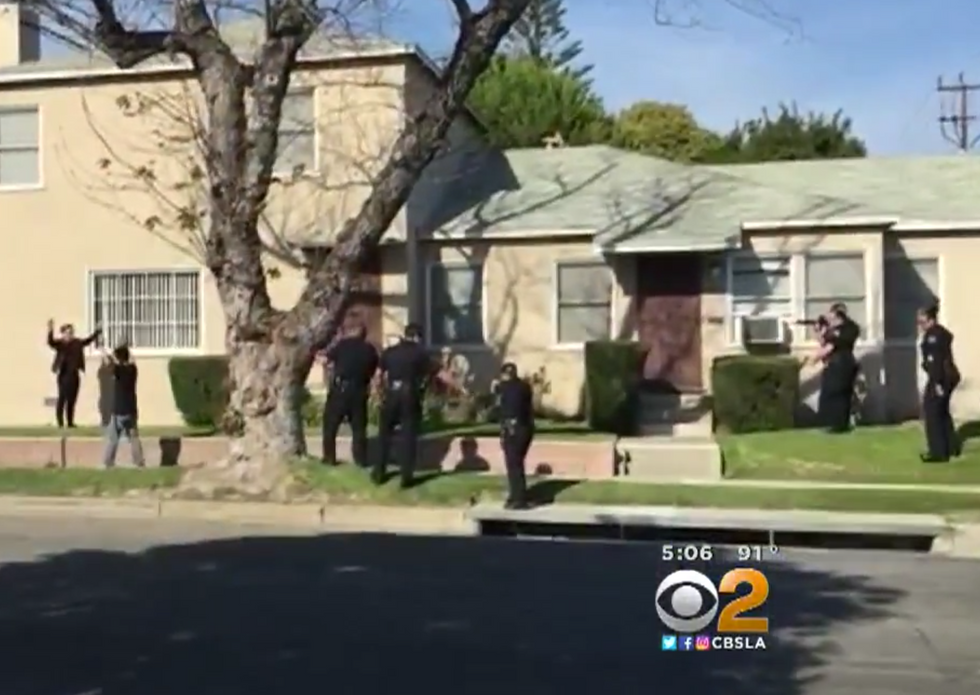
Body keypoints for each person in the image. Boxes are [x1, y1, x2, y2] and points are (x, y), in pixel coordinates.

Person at [372, 323, 431, 488]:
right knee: (408, 435)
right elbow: (435, 372)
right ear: (417, 336)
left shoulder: (390, 352)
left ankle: (379, 471)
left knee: (384, 434)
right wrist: (459, 387)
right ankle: (406, 476)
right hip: (409, 394)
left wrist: (380, 394)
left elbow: (378, 375)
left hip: (392, 393)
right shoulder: (420, 353)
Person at [321, 323, 379, 468]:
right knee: (359, 427)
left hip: (340, 389)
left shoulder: (342, 345)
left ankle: (329, 457)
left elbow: (325, 360)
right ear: (364, 334)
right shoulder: (369, 349)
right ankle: (361, 459)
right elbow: (374, 371)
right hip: (359, 390)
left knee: (330, 425)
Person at [918, 303, 960, 462]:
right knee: (942, 412)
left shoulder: (933, 336)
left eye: (922, 322)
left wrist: (937, 383)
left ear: (930, 320)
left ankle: (938, 452)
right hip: (947, 376)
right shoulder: (941, 333)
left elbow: (935, 362)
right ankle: (951, 446)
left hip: (941, 377)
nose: (920, 326)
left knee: (932, 412)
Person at [47, 319, 102, 429]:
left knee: (72, 399)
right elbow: (51, 342)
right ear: (63, 333)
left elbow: (88, 341)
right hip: (63, 375)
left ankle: (70, 422)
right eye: (67, 332)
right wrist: (50, 330)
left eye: (71, 332)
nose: (69, 334)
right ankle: (60, 422)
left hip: (74, 375)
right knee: (62, 398)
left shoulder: (77, 343)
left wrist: (97, 331)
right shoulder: (60, 344)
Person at [495, 362, 535, 510]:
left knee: (513, 465)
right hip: (526, 429)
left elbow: (501, 410)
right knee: (517, 462)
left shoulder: (504, 388)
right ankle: (517, 495)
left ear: (504, 374)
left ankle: (518, 498)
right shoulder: (524, 387)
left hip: (513, 429)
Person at [814, 303, 859, 433]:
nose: (830, 318)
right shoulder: (832, 329)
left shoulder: (850, 328)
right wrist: (820, 332)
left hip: (843, 363)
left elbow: (833, 345)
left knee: (839, 394)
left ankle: (839, 424)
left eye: (832, 315)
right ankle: (830, 423)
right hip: (832, 364)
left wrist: (814, 359)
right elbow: (824, 343)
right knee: (827, 393)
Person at [101, 344, 145, 468]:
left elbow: (110, 364)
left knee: (113, 439)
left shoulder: (118, 370)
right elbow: (128, 361)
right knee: (134, 438)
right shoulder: (133, 370)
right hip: (131, 410)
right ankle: (139, 462)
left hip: (119, 411)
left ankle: (108, 462)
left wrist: (104, 352)